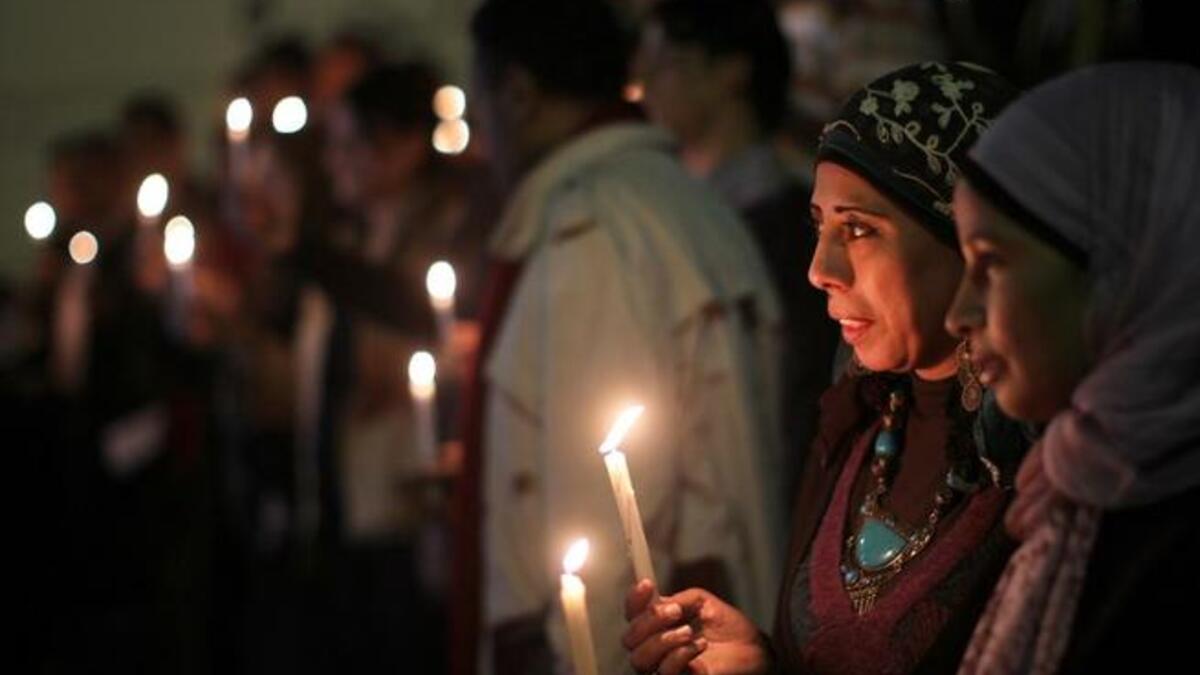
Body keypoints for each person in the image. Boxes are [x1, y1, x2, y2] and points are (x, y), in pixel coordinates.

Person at [623, 61, 1027, 675]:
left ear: (967, 241)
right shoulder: (857, 422)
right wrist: (762, 662)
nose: (820, 270)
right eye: (819, 226)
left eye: (859, 229)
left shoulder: (1044, 462)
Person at [461, 1, 787, 673]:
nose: (480, 137)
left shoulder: (598, 227)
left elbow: (604, 510)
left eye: (479, 104)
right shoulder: (673, 196)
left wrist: (586, 655)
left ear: (517, 93)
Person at [947, 62, 1200, 675]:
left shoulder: (1164, 541)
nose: (958, 315)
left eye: (991, 262)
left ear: (1125, 265)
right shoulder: (1068, 484)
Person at [637, 0, 838, 488]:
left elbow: (798, 404)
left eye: (667, 61)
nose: (645, 81)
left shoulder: (794, 231)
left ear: (732, 71)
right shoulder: (666, 215)